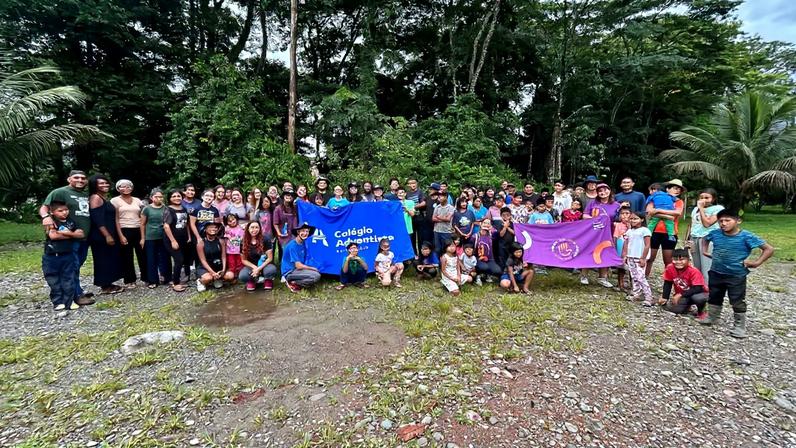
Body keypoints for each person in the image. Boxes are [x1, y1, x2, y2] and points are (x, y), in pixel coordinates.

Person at [698, 209, 775, 338]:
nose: (723, 223)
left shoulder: (746, 236)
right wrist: (705, 252)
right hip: (716, 272)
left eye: (727, 220)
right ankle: (713, 317)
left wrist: (757, 262)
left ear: (738, 221)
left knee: (737, 300)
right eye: (721, 221)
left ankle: (739, 326)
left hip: (736, 275)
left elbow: (769, 249)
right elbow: (704, 239)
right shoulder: (715, 233)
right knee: (714, 295)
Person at [40, 170, 94, 305]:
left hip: (84, 237)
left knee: (77, 265)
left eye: (83, 178)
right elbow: (44, 208)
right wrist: (46, 217)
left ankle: (76, 290)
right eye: (76, 177)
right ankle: (76, 296)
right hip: (69, 239)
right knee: (72, 266)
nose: (80, 180)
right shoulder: (60, 192)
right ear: (69, 179)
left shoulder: (86, 194)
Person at [43, 201, 83, 314]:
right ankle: (58, 301)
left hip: (68, 254)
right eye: (60, 211)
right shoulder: (51, 222)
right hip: (52, 255)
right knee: (53, 279)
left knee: (69, 278)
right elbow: (53, 236)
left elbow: (80, 234)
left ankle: (69, 301)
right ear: (52, 212)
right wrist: (72, 234)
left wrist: (67, 233)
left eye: (66, 210)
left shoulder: (71, 221)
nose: (64, 213)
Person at [88, 174, 124, 295]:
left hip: (108, 233)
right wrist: (107, 235)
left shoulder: (102, 197)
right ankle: (105, 285)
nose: (105, 185)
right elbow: (97, 218)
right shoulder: (95, 198)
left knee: (109, 258)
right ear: (94, 185)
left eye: (106, 182)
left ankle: (108, 283)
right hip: (101, 235)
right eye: (101, 183)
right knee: (102, 259)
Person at [645, 180, 685, 277]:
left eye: (679, 189)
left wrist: (658, 210)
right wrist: (668, 216)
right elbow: (649, 211)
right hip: (654, 232)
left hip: (670, 233)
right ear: (667, 189)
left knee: (668, 260)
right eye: (675, 188)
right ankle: (644, 279)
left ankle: (668, 281)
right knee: (649, 258)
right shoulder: (655, 198)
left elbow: (678, 213)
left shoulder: (679, 201)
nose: (677, 191)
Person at [582, 184, 620, 287]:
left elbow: (619, 219)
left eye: (605, 190)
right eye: (600, 191)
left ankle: (602, 277)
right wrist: (594, 219)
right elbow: (584, 215)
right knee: (589, 251)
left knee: (605, 252)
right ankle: (584, 276)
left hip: (608, 233)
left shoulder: (616, 205)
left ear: (609, 191)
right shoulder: (593, 203)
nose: (603, 192)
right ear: (597, 193)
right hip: (593, 232)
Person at [111, 179, 147, 288]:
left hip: (138, 228)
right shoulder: (114, 201)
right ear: (118, 188)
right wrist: (121, 235)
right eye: (123, 186)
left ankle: (146, 278)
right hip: (124, 229)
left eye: (128, 186)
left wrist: (143, 235)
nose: (126, 188)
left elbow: (142, 215)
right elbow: (115, 219)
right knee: (127, 256)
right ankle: (130, 280)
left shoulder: (137, 200)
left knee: (142, 254)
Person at [687, 188, 724, 280]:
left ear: (713, 199)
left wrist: (701, 209)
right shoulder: (695, 209)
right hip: (694, 238)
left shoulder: (718, 209)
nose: (703, 200)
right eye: (701, 197)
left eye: (707, 198)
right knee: (696, 266)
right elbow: (692, 224)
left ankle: (709, 289)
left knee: (707, 265)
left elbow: (707, 223)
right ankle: (699, 286)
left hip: (708, 239)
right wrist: (687, 239)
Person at [662, 249, 709, 317]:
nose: (678, 262)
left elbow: (698, 288)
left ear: (688, 260)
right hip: (684, 295)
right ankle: (687, 307)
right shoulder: (670, 268)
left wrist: (680, 295)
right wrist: (664, 297)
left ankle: (701, 311)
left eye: (682, 259)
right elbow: (668, 283)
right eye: (675, 259)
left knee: (698, 298)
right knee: (673, 309)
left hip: (699, 293)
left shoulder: (694, 271)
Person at [162, 189, 192, 292]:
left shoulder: (183, 208)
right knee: (178, 259)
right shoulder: (168, 210)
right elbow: (166, 226)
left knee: (184, 260)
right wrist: (173, 241)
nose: (176, 198)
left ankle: (182, 280)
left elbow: (186, 224)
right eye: (173, 196)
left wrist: (189, 236)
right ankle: (175, 283)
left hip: (183, 238)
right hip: (172, 239)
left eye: (178, 196)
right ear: (169, 198)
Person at [140, 189, 170, 289]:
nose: (159, 198)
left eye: (161, 197)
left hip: (163, 236)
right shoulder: (147, 209)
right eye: (156, 196)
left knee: (165, 258)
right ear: (152, 198)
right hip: (150, 237)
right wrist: (143, 238)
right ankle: (153, 280)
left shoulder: (165, 208)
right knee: (151, 259)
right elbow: (142, 224)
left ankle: (166, 278)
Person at [622, 211, 653, 305]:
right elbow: (626, 244)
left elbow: (647, 245)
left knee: (641, 277)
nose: (633, 220)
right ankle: (636, 293)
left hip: (639, 257)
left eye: (635, 219)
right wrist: (625, 256)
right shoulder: (629, 231)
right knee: (634, 276)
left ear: (642, 220)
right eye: (631, 218)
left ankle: (648, 296)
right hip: (631, 256)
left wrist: (643, 258)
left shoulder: (645, 230)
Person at [281, 222, 322, 292]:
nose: (305, 233)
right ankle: (292, 282)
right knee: (316, 276)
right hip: (290, 271)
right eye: (303, 231)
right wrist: (312, 268)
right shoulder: (292, 246)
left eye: (307, 231)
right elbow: (298, 266)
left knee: (317, 273)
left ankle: (296, 281)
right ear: (298, 232)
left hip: (297, 270)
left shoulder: (303, 243)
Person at [195, 221, 234, 292]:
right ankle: (200, 281)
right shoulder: (201, 243)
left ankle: (217, 279)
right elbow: (203, 260)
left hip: (218, 265)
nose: (213, 229)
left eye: (215, 227)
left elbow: (223, 256)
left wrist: (223, 269)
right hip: (206, 267)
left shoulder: (221, 241)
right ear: (205, 229)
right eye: (210, 227)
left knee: (230, 276)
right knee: (207, 278)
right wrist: (212, 272)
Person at [239, 221, 277, 291]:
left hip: (265, 264)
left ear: (260, 229)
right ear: (248, 229)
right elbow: (244, 260)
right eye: (252, 227)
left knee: (271, 270)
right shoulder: (243, 241)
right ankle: (252, 280)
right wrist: (255, 268)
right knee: (242, 276)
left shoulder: (266, 239)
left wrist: (259, 269)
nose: (254, 230)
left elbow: (270, 258)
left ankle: (268, 279)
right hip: (251, 266)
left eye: (257, 227)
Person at [614, 207, 631, 292]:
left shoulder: (634, 225)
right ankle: (620, 284)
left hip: (631, 248)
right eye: (622, 214)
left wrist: (629, 226)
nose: (624, 216)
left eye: (627, 213)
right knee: (621, 266)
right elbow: (615, 237)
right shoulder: (618, 225)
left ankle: (632, 285)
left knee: (632, 265)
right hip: (621, 246)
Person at [406, 178, 426, 253]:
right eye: (410, 183)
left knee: (421, 237)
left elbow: (424, 203)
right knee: (412, 237)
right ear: (408, 185)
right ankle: (414, 254)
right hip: (410, 218)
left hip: (419, 217)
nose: (412, 185)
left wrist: (413, 207)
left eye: (414, 183)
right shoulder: (407, 194)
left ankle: (422, 253)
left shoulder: (420, 192)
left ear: (416, 183)